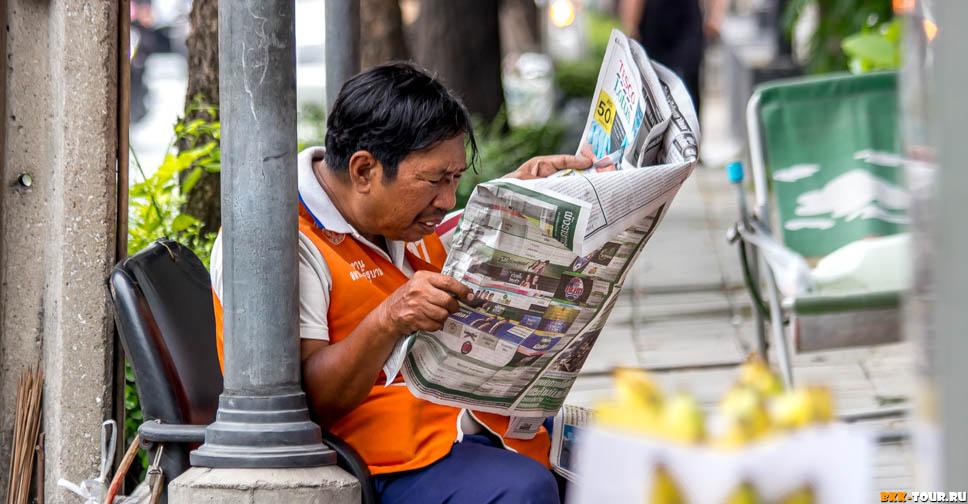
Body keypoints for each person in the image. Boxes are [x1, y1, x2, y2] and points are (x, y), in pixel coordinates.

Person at [210, 62, 594, 503]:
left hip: (464, 420)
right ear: (364, 171)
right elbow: (310, 404)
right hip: (384, 457)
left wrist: (518, 203)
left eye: (454, 179)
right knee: (524, 489)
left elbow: (457, 245)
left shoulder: (396, 221)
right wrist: (389, 318)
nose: (446, 200)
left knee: (621, 456)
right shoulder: (280, 241)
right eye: (434, 181)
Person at [620, 0, 728, 114]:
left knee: (688, 88)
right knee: (655, 89)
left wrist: (715, 15)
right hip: (653, 28)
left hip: (687, 23)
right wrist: (630, 25)